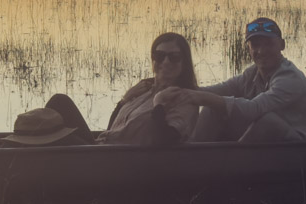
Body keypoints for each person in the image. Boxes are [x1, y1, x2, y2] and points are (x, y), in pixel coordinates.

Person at [155, 17, 306, 142]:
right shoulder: (252, 74)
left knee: (268, 121)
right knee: (212, 109)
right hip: (282, 143)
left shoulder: (289, 77)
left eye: (268, 44)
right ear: (249, 48)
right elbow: (218, 90)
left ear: (282, 45)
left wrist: (201, 98)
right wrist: (173, 88)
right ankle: (194, 156)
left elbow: (254, 108)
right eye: (255, 45)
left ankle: (232, 165)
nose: (261, 51)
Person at [42, 32, 200, 146]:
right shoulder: (144, 89)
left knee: (54, 138)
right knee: (59, 101)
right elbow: (112, 129)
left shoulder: (184, 99)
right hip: (100, 147)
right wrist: (124, 100)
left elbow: (166, 142)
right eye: (160, 56)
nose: (165, 62)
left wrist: (158, 105)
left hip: (118, 161)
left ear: (184, 62)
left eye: (174, 57)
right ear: (153, 59)